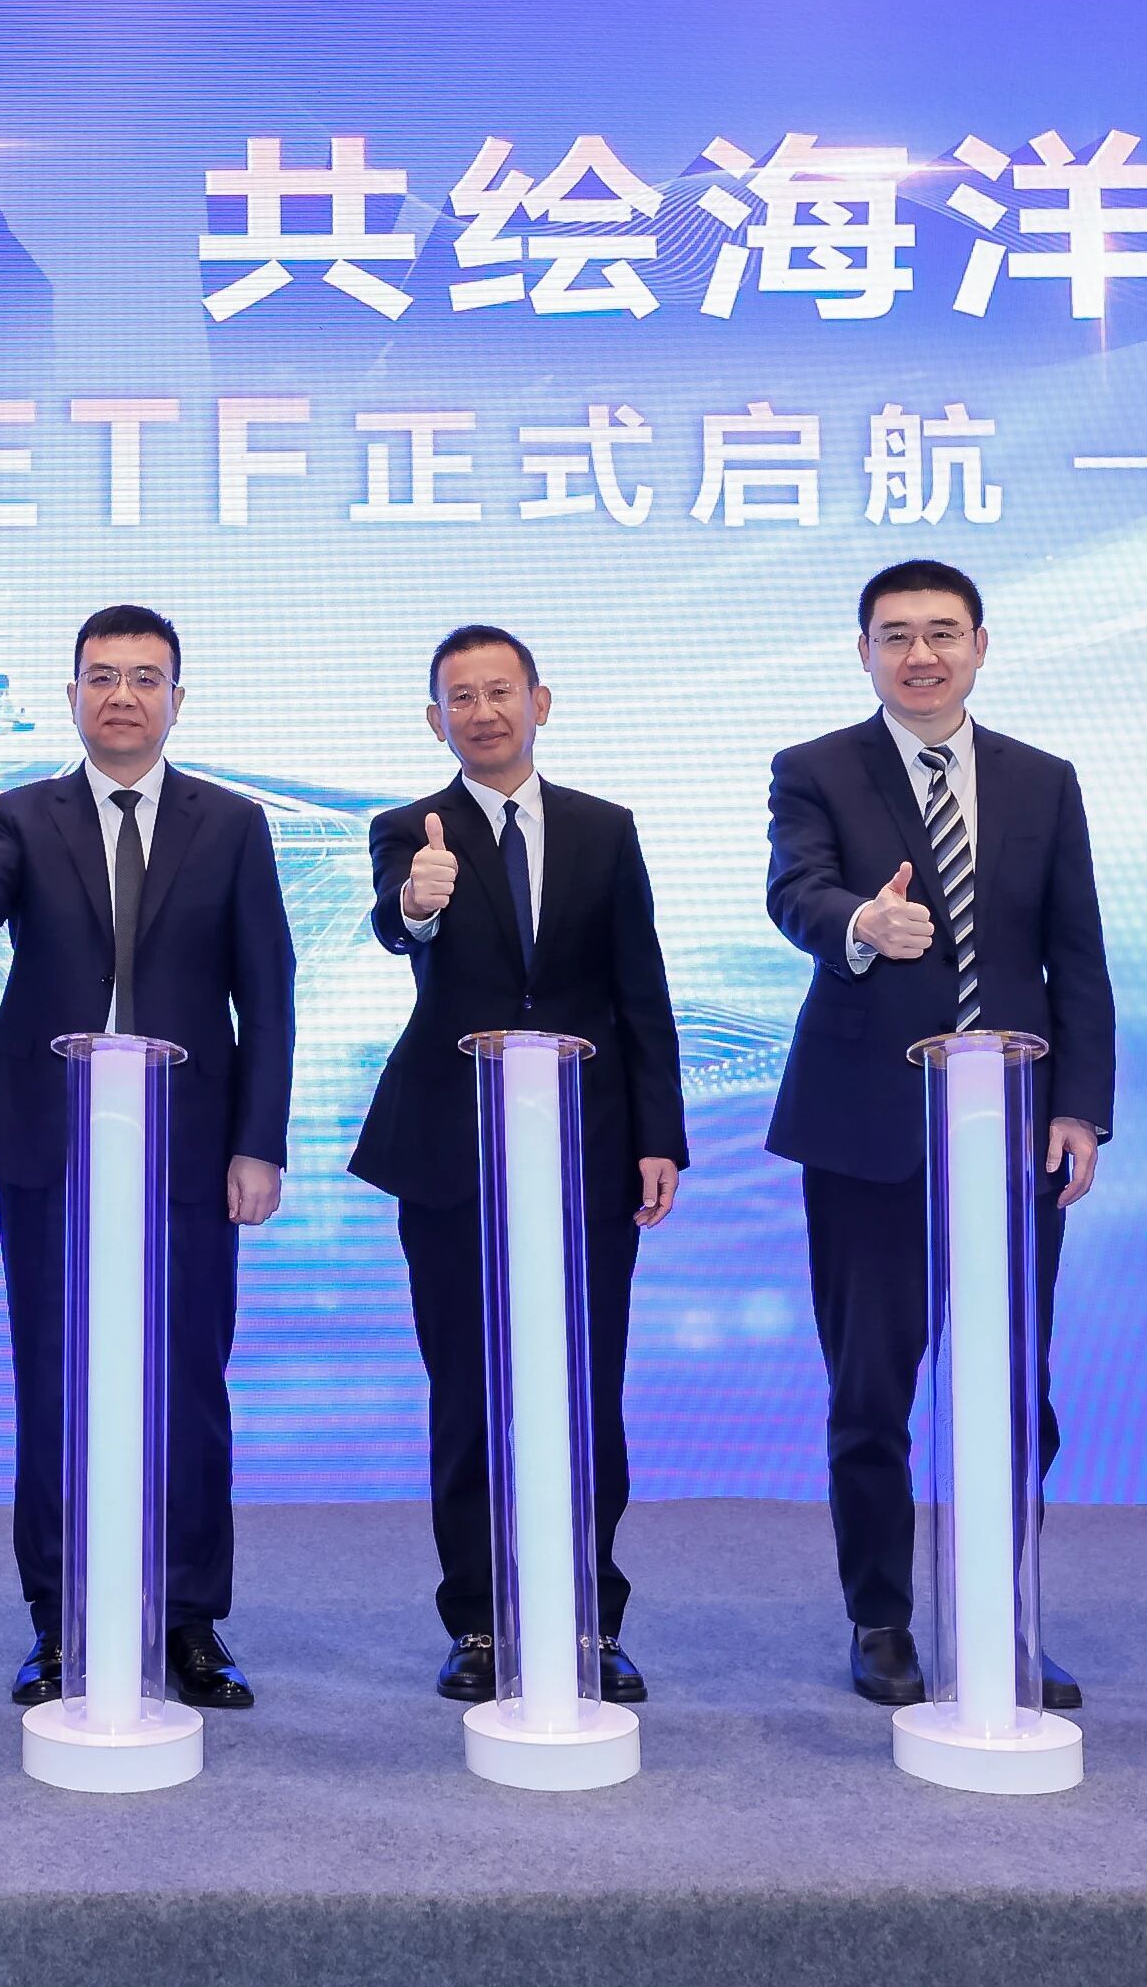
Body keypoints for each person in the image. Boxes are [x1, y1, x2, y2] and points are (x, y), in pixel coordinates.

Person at [763, 558, 1112, 1710]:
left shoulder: (1042, 779)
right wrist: (862, 921)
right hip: (866, 1128)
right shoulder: (816, 767)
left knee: (1016, 1389)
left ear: (980, 645)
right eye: (896, 633)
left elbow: (1076, 952)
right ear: (864, 650)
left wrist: (1079, 1104)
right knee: (871, 1390)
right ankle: (882, 1616)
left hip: (1014, 1131)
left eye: (943, 631)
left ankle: (1004, 1611)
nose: (921, 653)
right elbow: (796, 890)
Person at [0, 603, 295, 1710]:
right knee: (54, 1379)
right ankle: (60, 1617)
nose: (123, 695)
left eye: (145, 676)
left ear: (178, 698)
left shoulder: (231, 822)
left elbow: (267, 992)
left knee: (189, 1384)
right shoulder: (20, 813)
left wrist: (259, 1142)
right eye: (102, 675)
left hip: (189, 1145)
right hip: (51, 1141)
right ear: (73, 694)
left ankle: (188, 1616)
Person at [354, 625, 685, 1703]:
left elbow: (641, 989)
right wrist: (418, 901)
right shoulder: (409, 829)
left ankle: (590, 1612)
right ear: (435, 718)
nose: (483, 711)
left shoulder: (604, 827)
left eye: (501, 691)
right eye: (461, 697)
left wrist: (659, 1134)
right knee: (467, 1390)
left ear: (542, 702)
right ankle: (478, 1618)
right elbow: (396, 926)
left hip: (589, 1150)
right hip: (451, 1150)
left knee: (587, 1388)